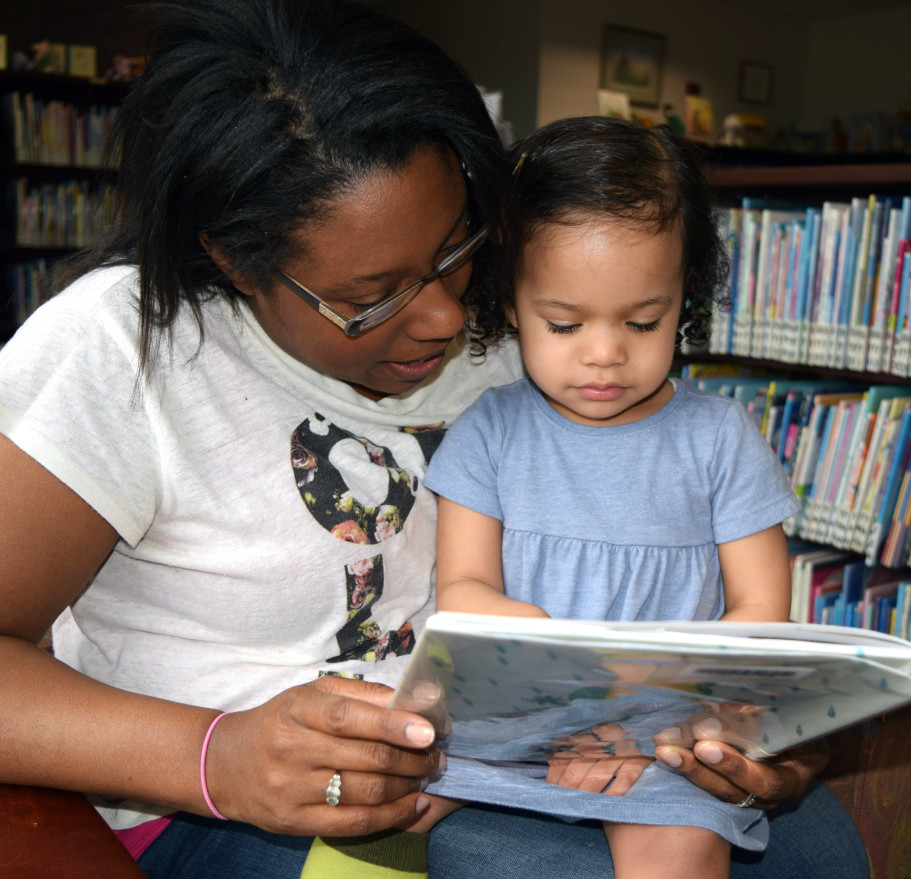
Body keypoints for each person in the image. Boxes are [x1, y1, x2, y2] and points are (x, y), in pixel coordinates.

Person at [0, 1, 867, 877]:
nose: (449, 316)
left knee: (819, 854)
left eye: (460, 247)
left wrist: (765, 726)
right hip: (235, 801)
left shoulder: (545, 325)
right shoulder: (121, 349)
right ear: (232, 257)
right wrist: (214, 754)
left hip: (553, 737)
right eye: (372, 295)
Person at [419, 115, 796, 877]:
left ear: (682, 299)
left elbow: (760, 611)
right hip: (522, 713)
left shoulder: (719, 438)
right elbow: (462, 589)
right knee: (387, 803)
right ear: (511, 304)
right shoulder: (490, 430)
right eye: (563, 322)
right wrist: (559, 665)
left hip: (666, 727)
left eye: (643, 320)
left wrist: (654, 704)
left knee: (680, 847)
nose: (604, 352)